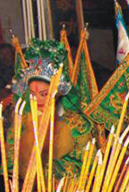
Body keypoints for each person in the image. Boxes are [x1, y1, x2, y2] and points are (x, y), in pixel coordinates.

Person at [6, 39, 92, 180]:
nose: (37, 100)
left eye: (44, 94)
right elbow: (10, 165)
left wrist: (48, 167)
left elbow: (85, 165)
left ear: (57, 93)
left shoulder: (77, 124)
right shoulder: (21, 124)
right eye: (33, 94)